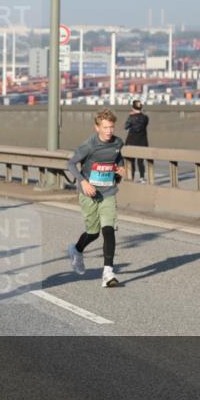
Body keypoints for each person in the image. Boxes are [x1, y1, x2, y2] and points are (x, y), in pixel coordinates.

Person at [66, 109, 127, 288]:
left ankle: (108, 272)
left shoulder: (118, 142)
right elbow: (70, 163)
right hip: (89, 193)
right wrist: (83, 182)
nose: (109, 131)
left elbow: (118, 157)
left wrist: (121, 169)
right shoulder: (89, 145)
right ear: (97, 127)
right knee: (93, 232)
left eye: (111, 127)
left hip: (108, 192)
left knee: (108, 229)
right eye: (105, 127)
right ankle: (76, 250)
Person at [124, 100, 149, 183]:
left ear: (133, 108)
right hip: (142, 142)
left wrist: (130, 116)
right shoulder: (145, 118)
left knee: (131, 161)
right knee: (140, 161)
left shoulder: (131, 118)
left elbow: (126, 127)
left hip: (132, 142)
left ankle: (131, 177)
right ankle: (142, 177)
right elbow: (144, 125)